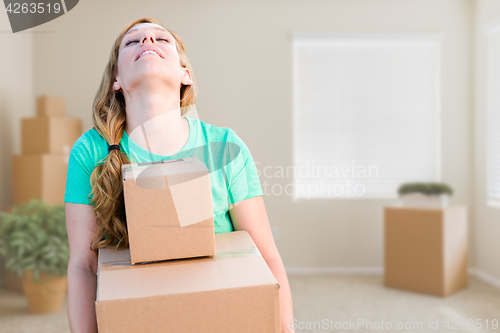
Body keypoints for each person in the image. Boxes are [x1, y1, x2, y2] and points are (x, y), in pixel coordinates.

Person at [64, 17, 295, 333]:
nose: (147, 42)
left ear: (185, 74)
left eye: (161, 39)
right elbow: (83, 265)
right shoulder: (90, 151)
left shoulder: (224, 147)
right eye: (133, 41)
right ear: (116, 79)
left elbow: (265, 255)